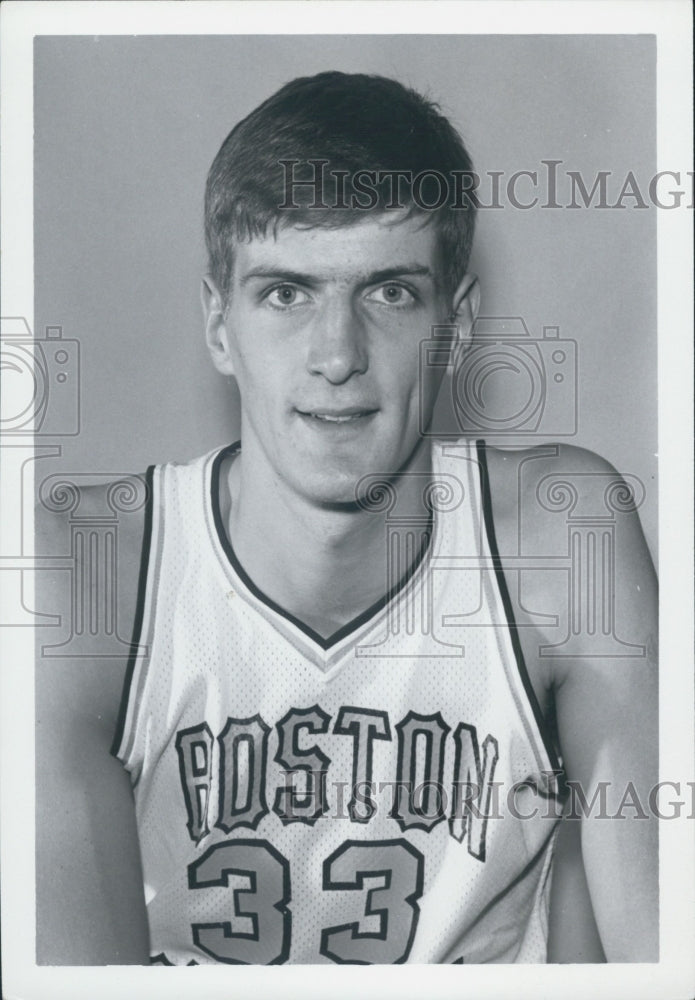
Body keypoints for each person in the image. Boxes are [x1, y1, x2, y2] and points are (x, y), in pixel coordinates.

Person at [36, 71, 657, 966]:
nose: (337, 355)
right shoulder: (83, 571)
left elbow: (663, 958)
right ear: (219, 324)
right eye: (287, 294)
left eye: (389, 293)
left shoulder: (563, 540)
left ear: (458, 323)